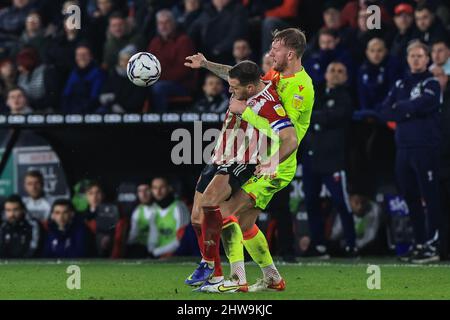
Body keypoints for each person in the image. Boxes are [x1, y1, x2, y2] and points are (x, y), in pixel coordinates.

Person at [184, 28, 314, 292]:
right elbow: (244, 78)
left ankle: (234, 279)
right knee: (245, 224)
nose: (269, 53)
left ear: (290, 53)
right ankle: (272, 277)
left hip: (276, 162)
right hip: (261, 156)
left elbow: (288, 137)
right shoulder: (278, 75)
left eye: (275, 49)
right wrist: (207, 64)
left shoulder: (300, 88)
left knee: (224, 214)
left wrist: (246, 113)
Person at [379, 40, 441, 264]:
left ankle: (433, 245)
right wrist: (407, 109)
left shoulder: (432, 82)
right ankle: (420, 243)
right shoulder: (400, 83)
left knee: (430, 197)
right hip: (403, 148)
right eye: (412, 56)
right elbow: (385, 111)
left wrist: (401, 109)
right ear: (407, 59)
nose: (416, 59)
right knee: (411, 198)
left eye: (420, 56)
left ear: (427, 59)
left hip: (425, 147)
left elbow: (425, 104)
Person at [301, 62, 356, 258]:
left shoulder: (346, 97)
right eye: (331, 70)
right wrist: (320, 117)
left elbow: (335, 117)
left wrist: (315, 117)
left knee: (341, 202)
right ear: (325, 74)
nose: (335, 74)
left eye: (340, 71)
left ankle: (351, 244)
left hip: (333, 160)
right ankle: (319, 245)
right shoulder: (317, 94)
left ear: (346, 77)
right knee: (311, 202)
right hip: (312, 157)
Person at [147, 9, 196, 112]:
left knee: (159, 88)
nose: (163, 26)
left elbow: (183, 70)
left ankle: (160, 121)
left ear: (173, 23)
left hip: (182, 85)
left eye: (167, 22)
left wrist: (157, 77)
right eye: (160, 23)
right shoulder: (154, 42)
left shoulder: (184, 41)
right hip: (158, 80)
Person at [188, 0, 248, 64]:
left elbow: (235, 36)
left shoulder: (238, 11)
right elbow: (193, 30)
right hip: (204, 54)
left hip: (224, 57)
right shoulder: (207, 10)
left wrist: (216, 51)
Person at [356, 38, 403, 116]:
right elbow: (362, 95)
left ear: (385, 51)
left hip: (387, 110)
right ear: (367, 53)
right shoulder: (362, 69)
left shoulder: (394, 66)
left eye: (379, 51)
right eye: (372, 51)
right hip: (369, 112)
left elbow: (393, 91)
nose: (376, 55)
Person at [148, 177, 190, 258]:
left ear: (169, 188)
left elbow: (181, 239)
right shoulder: (153, 209)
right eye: (155, 188)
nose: (158, 191)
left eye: (162, 187)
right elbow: (152, 237)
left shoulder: (179, 207)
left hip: (178, 254)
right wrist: (151, 251)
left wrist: (156, 252)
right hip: (159, 255)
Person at [99, 45, 147, 113]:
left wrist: (120, 105)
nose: (124, 63)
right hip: (112, 108)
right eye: (122, 60)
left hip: (131, 112)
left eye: (127, 60)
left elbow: (138, 100)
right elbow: (105, 92)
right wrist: (112, 104)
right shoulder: (114, 74)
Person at [62, 44, 105, 113]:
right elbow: (66, 94)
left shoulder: (97, 73)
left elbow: (94, 97)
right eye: (79, 55)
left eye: (85, 54)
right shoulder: (73, 73)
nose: (82, 57)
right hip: (72, 111)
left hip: (90, 112)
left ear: (91, 57)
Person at [127, 182, 153, 257]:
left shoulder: (159, 209)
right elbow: (133, 234)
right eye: (140, 191)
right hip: (141, 249)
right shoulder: (137, 211)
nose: (143, 194)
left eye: (146, 190)